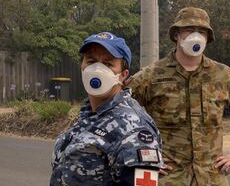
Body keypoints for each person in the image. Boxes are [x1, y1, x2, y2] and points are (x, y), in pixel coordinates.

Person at [129, 7, 230, 186]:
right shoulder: (151, 76)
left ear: (207, 37)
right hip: (168, 178)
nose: (196, 36)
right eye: (189, 30)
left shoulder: (223, 75)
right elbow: (118, 112)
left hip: (211, 177)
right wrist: (139, 156)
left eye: (202, 31)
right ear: (177, 35)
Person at [50, 32, 164, 186]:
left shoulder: (134, 127)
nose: (97, 69)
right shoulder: (90, 115)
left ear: (123, 75)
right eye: (91, 61)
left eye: (108, 64)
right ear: (82, 67)